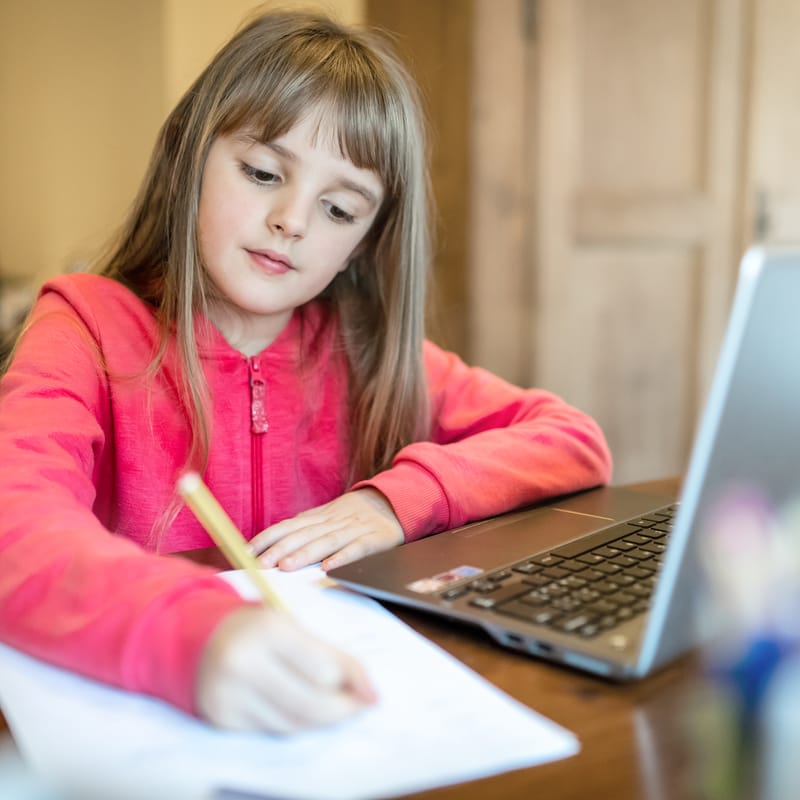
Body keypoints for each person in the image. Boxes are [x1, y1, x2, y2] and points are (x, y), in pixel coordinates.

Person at [0, 8, 612, 734]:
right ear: (189, 158)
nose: (293, 220)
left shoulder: (364, 351)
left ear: (361, 244)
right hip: (152, 707)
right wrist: (192, 634)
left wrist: (396, 501)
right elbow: (17, 524)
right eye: (263, 172)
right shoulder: (85, 326)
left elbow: (571, 438)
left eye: (339, 209)